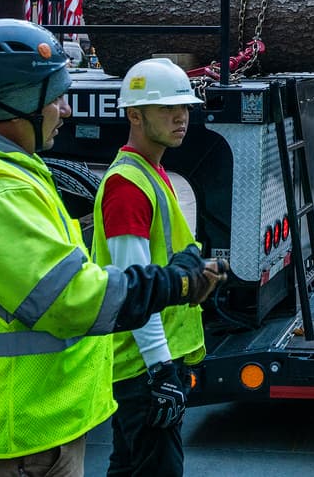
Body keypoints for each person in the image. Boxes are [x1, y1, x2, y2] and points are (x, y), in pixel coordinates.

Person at [0, 19, 224, 475]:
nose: (66, 110)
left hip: (30, 429)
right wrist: (174, 284)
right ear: (19, 101)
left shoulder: (11, 178)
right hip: (20, 435)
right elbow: (72, 297)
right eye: (56, 97)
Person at [92, 58, 209, 477]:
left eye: (186, 107)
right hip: (143, 369)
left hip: (144, 366)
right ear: (134, 115)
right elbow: (134, 288)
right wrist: (160, 370)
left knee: (128, 468)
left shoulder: (150, 172)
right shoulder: (127, 186)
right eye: (167, 109)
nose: (181, 117)